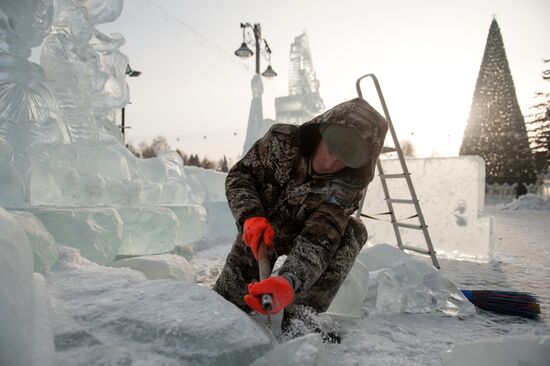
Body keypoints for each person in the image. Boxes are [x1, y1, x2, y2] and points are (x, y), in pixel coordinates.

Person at [213, 97, 388, 339]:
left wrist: (290, 281)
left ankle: (298, 314)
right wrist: (249, 217)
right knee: (227, 307)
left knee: (353, 232)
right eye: (330, 150)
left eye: (342, 161)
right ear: (321, 135)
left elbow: (320, 237)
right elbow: (241, 177)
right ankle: (259, 298)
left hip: (304, 235)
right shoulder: (281, 142)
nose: (330, 162)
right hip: (261, 232)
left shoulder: (348, 185)